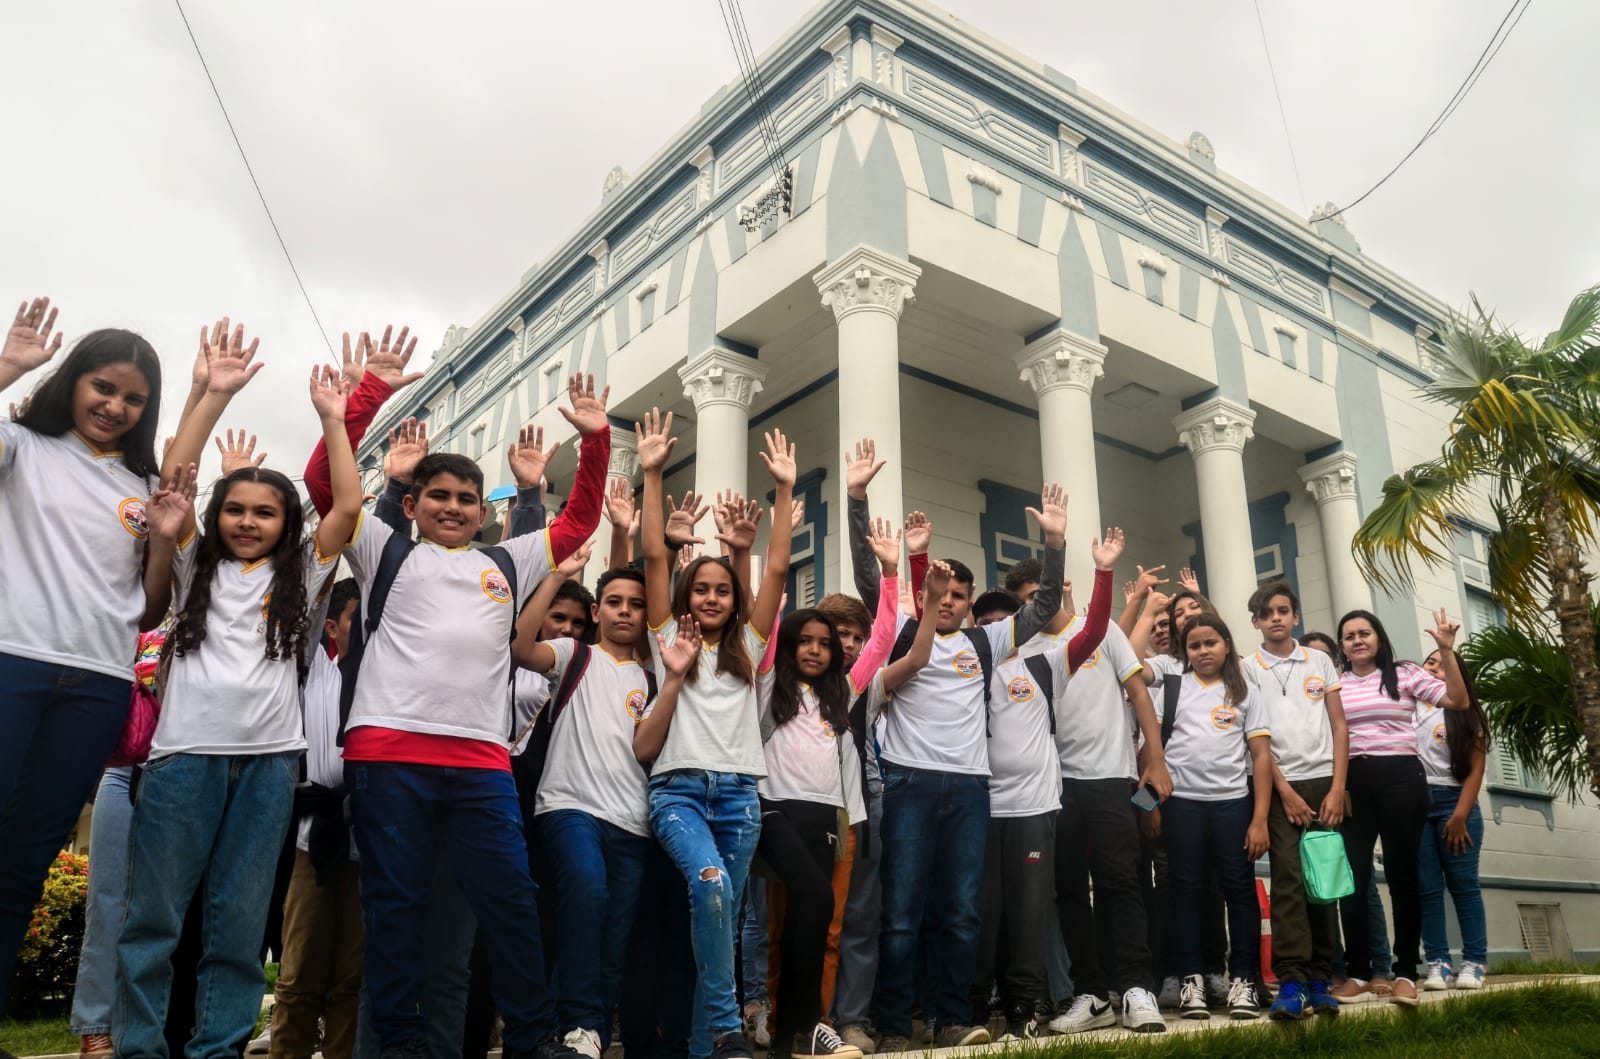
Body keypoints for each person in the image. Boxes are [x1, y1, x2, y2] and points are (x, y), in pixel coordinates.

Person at [342, 374, 610, 1059]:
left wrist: (595, 440)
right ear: (414, 502)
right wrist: (356, 405)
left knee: (512, 900)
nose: (455, 506)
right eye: (440, 495)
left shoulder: (506, 558)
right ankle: (399, 1042)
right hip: (388, 754)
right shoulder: (385, 549)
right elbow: (330, 496)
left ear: (481, 510)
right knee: (396, 905)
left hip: (480, 762)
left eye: (467, 497)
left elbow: (579, 522)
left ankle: (529, 1036)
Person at [116, 338, 358, 1059]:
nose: (248, 520)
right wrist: (213, 393)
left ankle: (216, 1048)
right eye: (237, 509)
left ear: (287, 524)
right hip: (182, 758)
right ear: (217, 514)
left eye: (266, 512)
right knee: (153, 922)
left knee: (238, 923)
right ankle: (137, 1048)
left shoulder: (306, 581)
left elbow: (346, 503)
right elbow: (176, 479)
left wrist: (336, 420)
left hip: (267, 768)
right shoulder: (193, 564)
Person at [0, 298, 176, 1005]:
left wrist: (163, 535)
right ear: (71, 379)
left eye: (134, 397)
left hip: (99, 685)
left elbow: (152, 609)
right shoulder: (23, 447)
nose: (115, 405)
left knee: (26, 862)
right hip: (12, 660)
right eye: (102, 386)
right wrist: (9, 366)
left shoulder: (143, 486)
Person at [868, 487, 1068, 1053]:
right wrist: (901, 552)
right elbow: (877, 593)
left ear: (971, 598)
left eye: (959, 593)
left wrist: (1054, 543)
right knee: (903, 913)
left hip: (971, 790)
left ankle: (952, 1019)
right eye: (941, 591)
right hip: (909, 784)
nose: (950, 600)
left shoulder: (987, 641)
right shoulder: (904, 636)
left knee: (960, 913)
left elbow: (1045, 605)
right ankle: (890, 1025)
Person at [632, 410, 796, 1059]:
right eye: (698, 588)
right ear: (684, 594)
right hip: (677, 794)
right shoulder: (668, 642)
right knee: (711, 886)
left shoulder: (749, 651)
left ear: (734, 599)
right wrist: (651, 472)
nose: (710, 596)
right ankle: (729, 1028)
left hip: (739, 799)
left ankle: (707, 1047)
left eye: (721, 589)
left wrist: (783, 492)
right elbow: (650, 555)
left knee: (721, 924)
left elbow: (778, 572)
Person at [753, 517, 901, 1059]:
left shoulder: (846, 691)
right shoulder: (769, 685)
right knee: (783, 925)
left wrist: (889, 573)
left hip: (835, 823)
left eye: (824, 643)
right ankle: (785, 1022)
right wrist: (779, 555)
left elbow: (883, 636)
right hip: (778, 817)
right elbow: (766, 625)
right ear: (789, 647)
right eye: (805, 642)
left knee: (826, 925)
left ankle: (807, 1029)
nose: (815, 650)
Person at [510, 564, 656, 1059]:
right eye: (614, 602)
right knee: (587, 890)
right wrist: (553, 577)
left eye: (637, 604)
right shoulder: (575, 654)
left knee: (615, 930)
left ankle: (590, 1033)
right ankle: (575, 1020)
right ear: (597, 612)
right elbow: (520, 647)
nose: (625, 612)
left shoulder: (655, 677)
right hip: (568, 805)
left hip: (632, 821)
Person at [1332, 608, 1470, 1007]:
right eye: (1349, 636)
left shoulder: (1405, 674)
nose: (1357, 641)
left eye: (1364, 633)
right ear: (1342, 646)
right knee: (1353, 879)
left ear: (1378, 638)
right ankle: (1358, 972)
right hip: (1354, 782)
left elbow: (1458, 700)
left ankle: (1407, 971)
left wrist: (1446, 651)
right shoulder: (1335, 683)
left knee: (1402, 876)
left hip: (1401, 780)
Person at [1148, 615, 1274, 1021]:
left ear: (1226, 644)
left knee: (1238, 892)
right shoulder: (1173, 687)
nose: (1203, 651)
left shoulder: (1247, 692)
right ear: (1184, 651)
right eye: (1194, 645)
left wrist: (1258, 820)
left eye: (1210, 643)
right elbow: (1151, 749)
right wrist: (1149, 805)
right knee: (1184, 892)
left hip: (1233, 806)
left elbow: (1261, 758)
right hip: (1180, 804)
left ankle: (1242, 981)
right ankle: (1192, 983)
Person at [270, 578, 365, 1059]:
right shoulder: (313, 669)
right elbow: (311, 589)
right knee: (299, 971)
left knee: (354, 975)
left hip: (370, 845)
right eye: (355, 618)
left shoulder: (382, 675)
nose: (366, 628)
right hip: (314, 840)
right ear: (330, 626)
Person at [1245, 582, 1347, 1020]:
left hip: (1325, 782)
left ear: (1296, 616)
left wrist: (1339, 788)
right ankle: (1292, 981)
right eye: (1267, 613)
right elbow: (1258, 740)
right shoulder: (1248, 668)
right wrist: (1283, 792)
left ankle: (1322, 978)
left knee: (1323, 884)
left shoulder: (1319, 660)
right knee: (1287, 882)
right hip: (1277, 785)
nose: (1276, 618)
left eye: (1283, 610)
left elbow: (1339, 726)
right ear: (1256, 623)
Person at [1416, 649, 1489, 992]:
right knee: (1427, 890)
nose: (1432, 667)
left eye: (1443, 665)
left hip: (1454, 804)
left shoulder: (1465, 714)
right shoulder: (1411, 706)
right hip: (1416, 805)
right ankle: (1438, 962)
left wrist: (1460, 815)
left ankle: (1474, 961)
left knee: (1463, 887)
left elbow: (1476, 770)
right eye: (1429, 662)